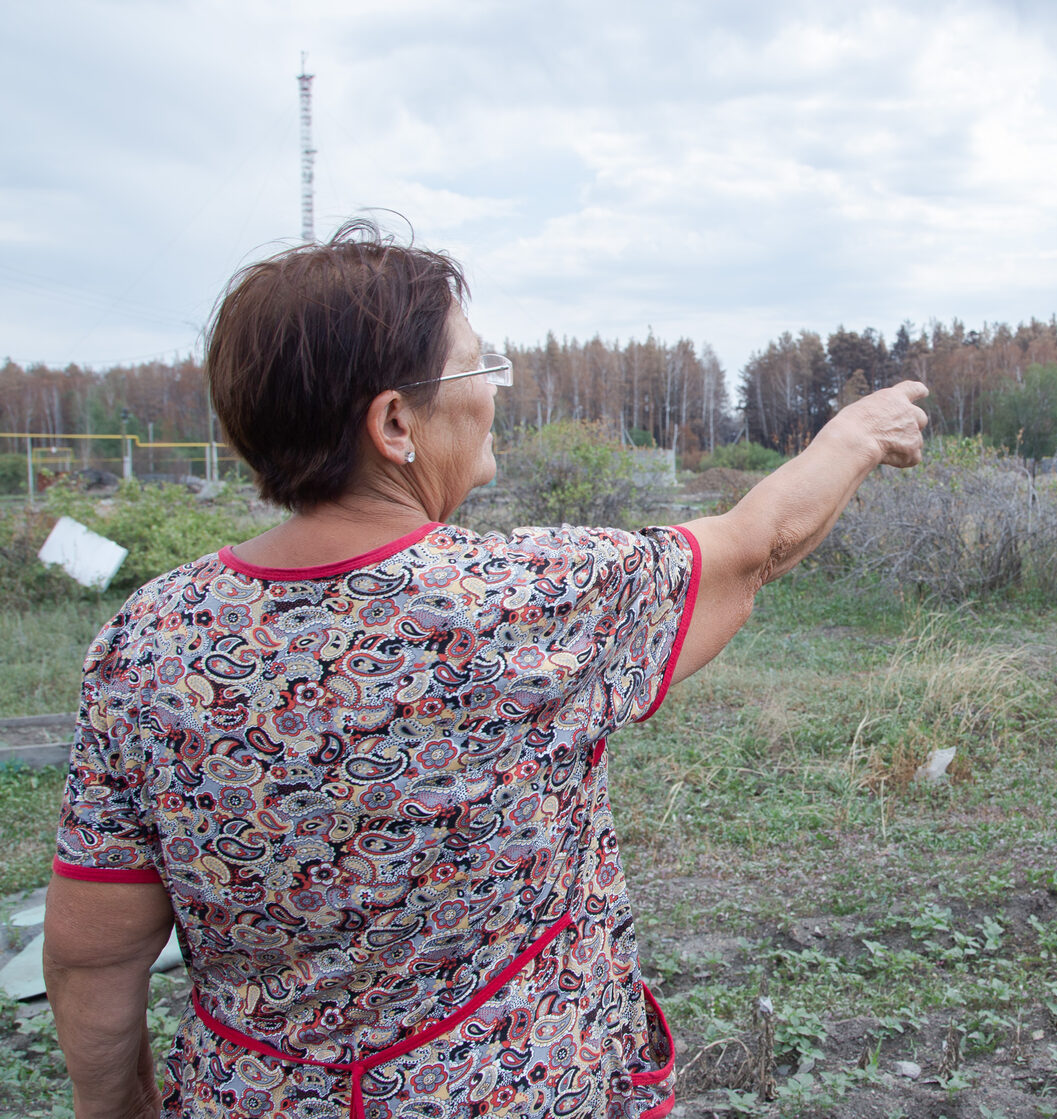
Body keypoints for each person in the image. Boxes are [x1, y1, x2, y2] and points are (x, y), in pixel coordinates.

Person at [44, 219, 928, 1119]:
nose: (494, 392)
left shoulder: (143, 641)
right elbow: (751, 547)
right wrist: (856, 434)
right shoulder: (521, 604)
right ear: (395, 423)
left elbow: (92, 953)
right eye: (477, 368)